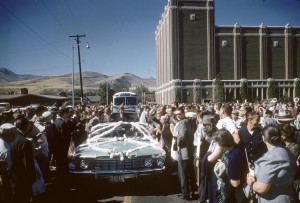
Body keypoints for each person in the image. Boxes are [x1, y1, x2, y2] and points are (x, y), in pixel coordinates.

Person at [246, 125, 297, 203]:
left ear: (263, 138)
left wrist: (250, 182)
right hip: (289, 197)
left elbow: (261, 188)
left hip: (273, 199)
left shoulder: (269, 159)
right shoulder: (287, 151)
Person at [214, 129, 249, 203]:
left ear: (221, 144)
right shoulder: (240, 148)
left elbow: (235, 183)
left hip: (238, 194)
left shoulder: (232, 156)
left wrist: (225, 177)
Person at [11, 117, 36, 203]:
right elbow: (28, 162)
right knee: (25, 197)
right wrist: (33, 176)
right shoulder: (25, 142)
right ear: (27, 126)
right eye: (29, 124)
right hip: (24, 175)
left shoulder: (12, 138)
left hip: (14, 174)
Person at [175, 107, 197, 200]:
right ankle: (192, 191)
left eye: (180, 113)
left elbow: (182, 136)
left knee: (183, 173)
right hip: (189, 149)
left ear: (184, 113)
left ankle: (186, 193)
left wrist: (177, 141)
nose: (178, 115)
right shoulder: (189, 121)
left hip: (184, 150)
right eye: (176, 114)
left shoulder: (183, 122)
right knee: (190, 172)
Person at [0, 123, 17, 203]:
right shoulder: (6, 151)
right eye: (14, 134)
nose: (15, 136)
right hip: (6, 178)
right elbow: (9, 169)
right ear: (8, 135)